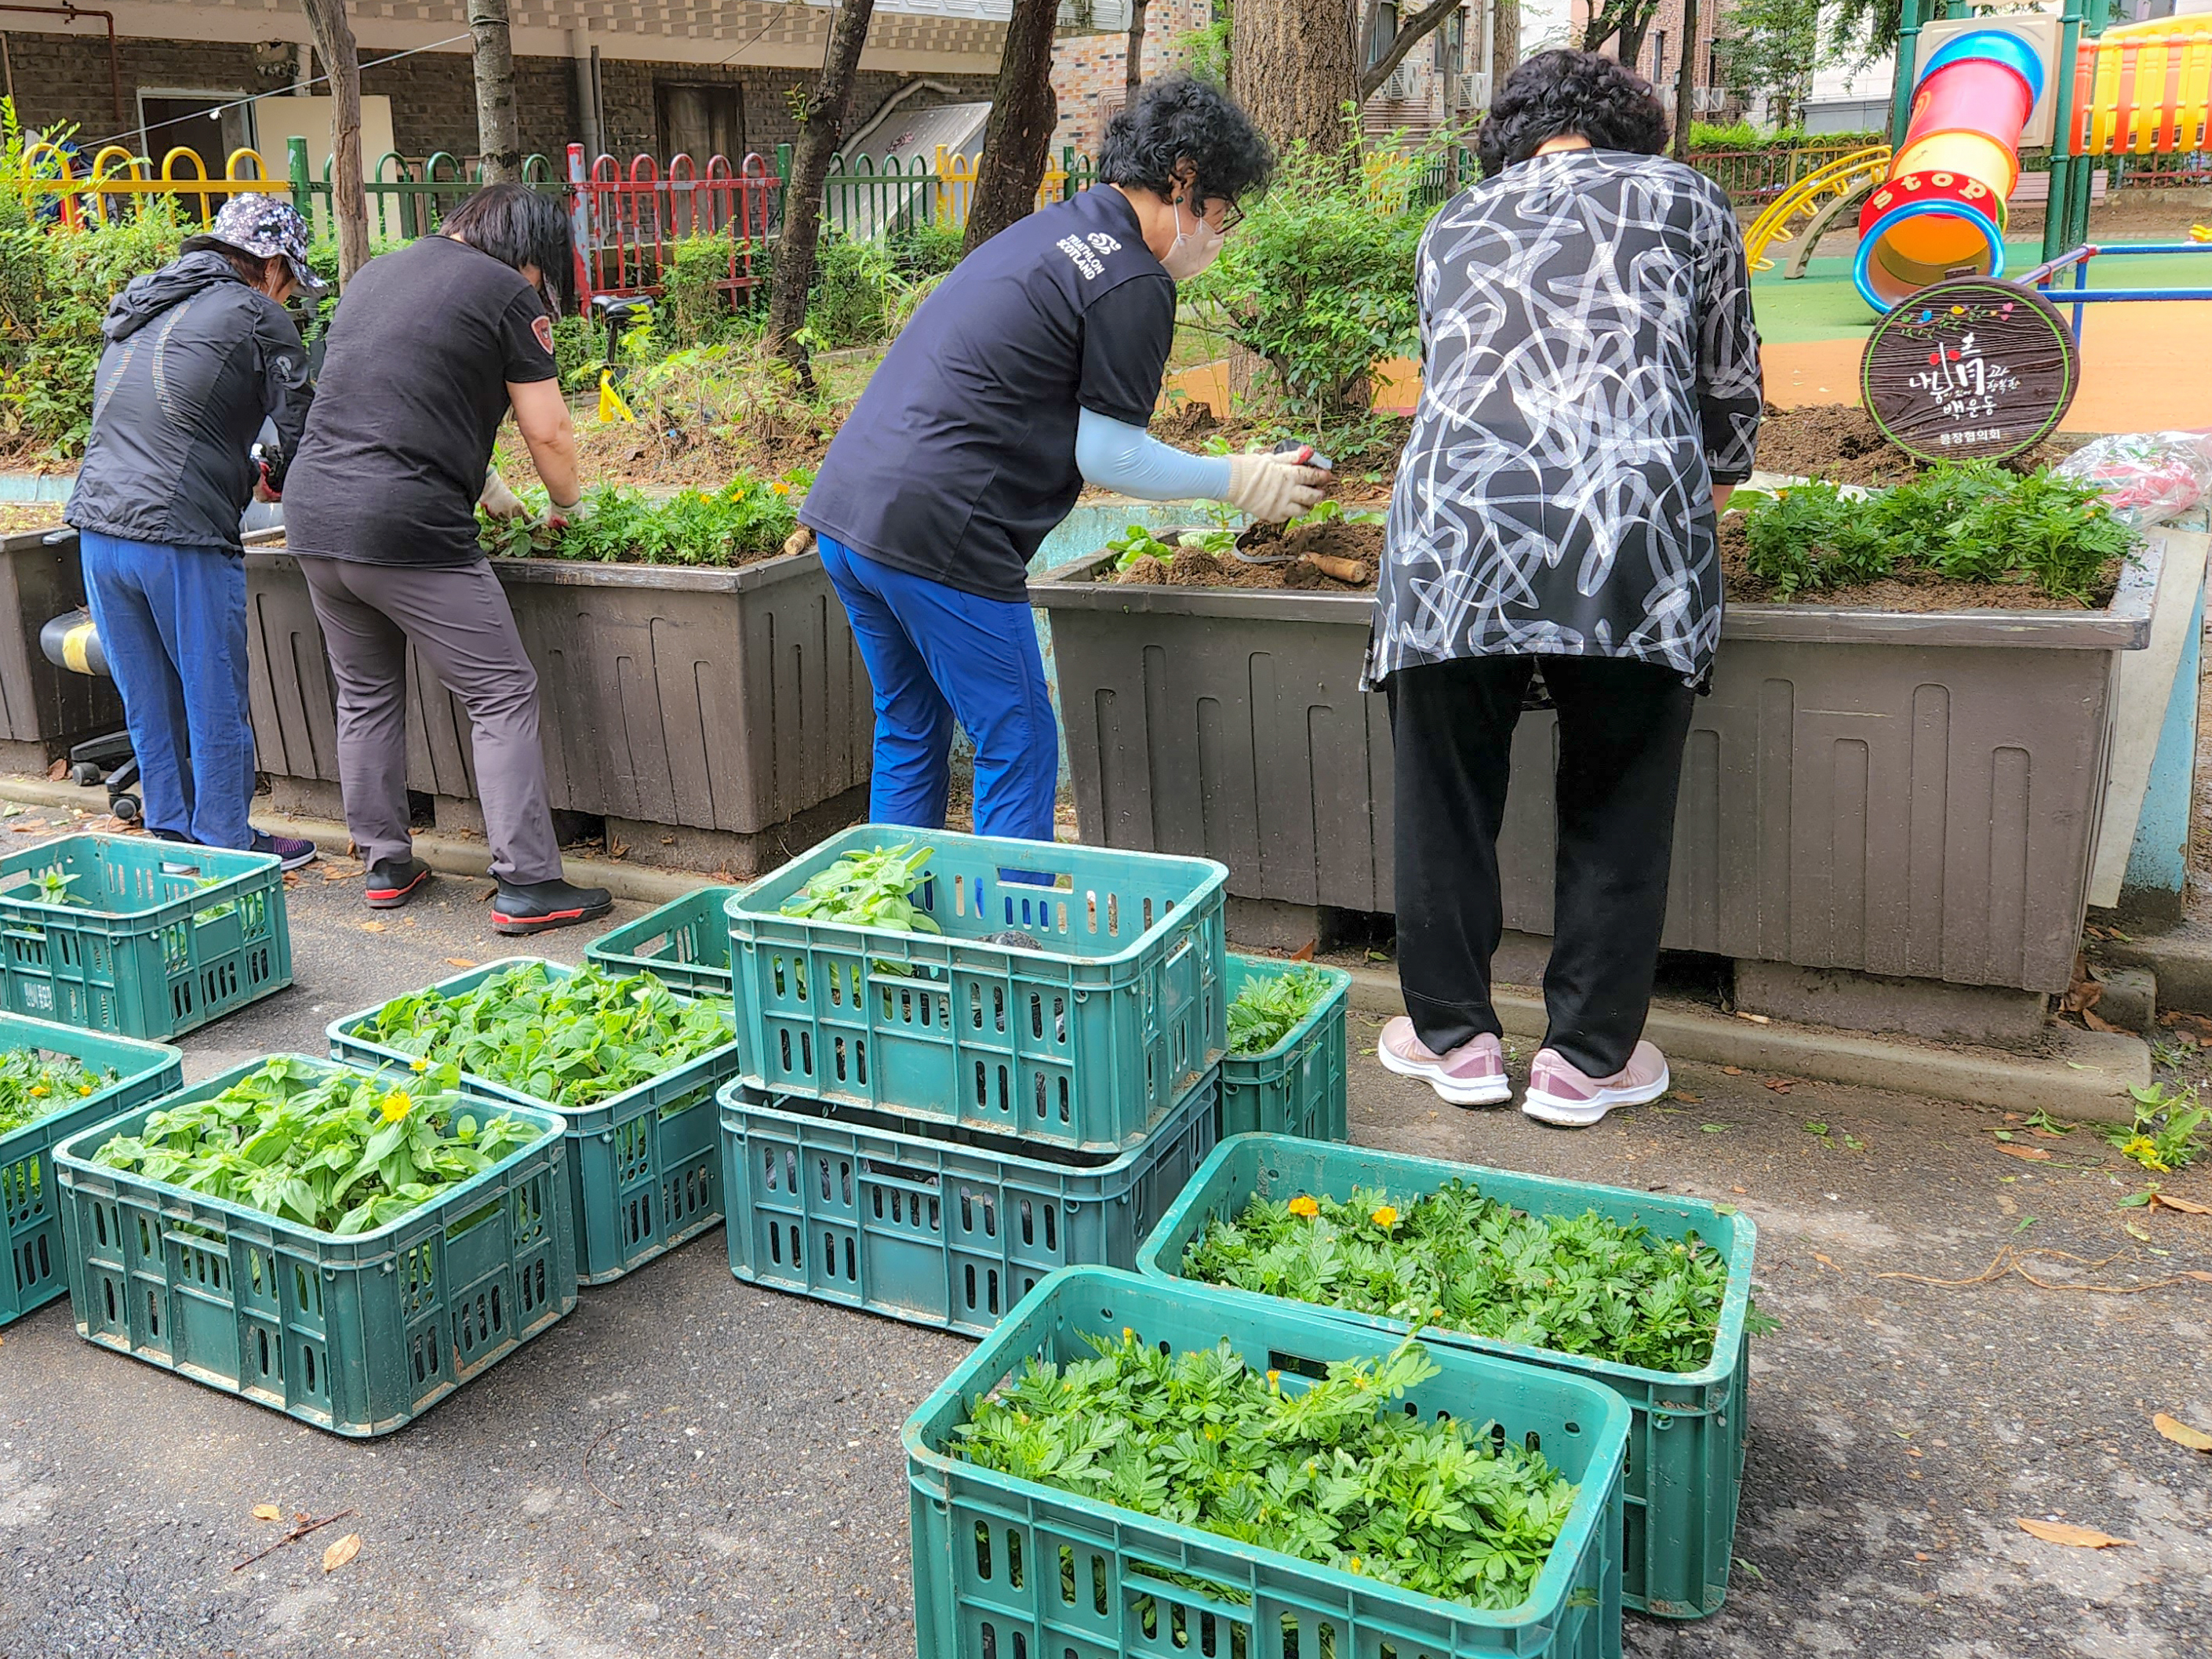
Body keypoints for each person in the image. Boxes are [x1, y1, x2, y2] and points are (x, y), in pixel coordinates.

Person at [1366, 49, 1763, 1128]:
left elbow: (1452, 372)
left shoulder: (1451, 224)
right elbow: (1728, 402)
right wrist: (1685, 495)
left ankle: (1455, 1039)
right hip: (1628, 522)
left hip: (1454, 528)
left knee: (1445, 791)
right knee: (1619, 791)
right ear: (1633, 128)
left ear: (1510, 138)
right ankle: (1583, 1061)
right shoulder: (1689, 200)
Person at [799, 76, 1328, 842]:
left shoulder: (1052, 231)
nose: (1219, 232)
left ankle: (894, 945)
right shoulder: (1133, 279)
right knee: (1018, 738)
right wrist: (1242, 482)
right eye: (1220, 211)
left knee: (911, 729)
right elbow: (1112, 456)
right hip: (942, 535)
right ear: (1182, 179)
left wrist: (1240, 467)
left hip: (848, 514)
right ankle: (1013, 947)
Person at [281, 183, 612, 934]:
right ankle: (529, 882)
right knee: (501, 691)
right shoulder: (503, 291)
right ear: (529, 253)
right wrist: (569, 506)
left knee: (364, 693)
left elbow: (390, 393)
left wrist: (488, 485)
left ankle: (385, 865)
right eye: (544, 274)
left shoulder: (379, 275)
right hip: (404, 523)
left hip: (316, 511)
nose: (539, 289)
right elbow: (551, 431)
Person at [65, 194, 322, 869]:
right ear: (269, 266)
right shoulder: (258, 315)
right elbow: (304, 433)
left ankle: (171, 834)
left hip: (98, 529)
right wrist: (277, 476)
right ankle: (228, 847)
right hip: (179, 535)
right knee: (213, 698)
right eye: (291, 279)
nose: (290, 294)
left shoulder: (139, 304)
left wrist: (248, 468)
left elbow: (166, 421)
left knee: (147, 695)